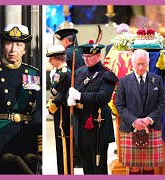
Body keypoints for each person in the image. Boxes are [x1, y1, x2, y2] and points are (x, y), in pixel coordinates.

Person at [0, 24, 42, 174]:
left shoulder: (33, 74)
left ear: (25, 49)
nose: (13, 49)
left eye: (18, 45)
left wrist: (41, 150)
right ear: (3, 46)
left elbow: (37, 114)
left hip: (26, 139)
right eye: (9, 44)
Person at [67, 40, 118, 174]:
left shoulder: (107, 75)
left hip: (97, 122)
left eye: (89, 57)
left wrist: (80, 96)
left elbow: (103, 97)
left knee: (98, 161)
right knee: (85, 160)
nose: (86, 59)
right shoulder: (79, 72)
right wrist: (70, 97)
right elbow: (73, 89)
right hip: (80, 121)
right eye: (84, 56)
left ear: (98, 56)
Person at [115, 49, 165, 174]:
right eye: (138, 64)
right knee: (134, 167)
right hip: (131, 128)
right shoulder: (123, 81)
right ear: (132, 64)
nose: (141, 67)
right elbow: (119, 105)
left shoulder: (157, 80)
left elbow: (162, 103)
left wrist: (149, 119)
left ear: (148, 63)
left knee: (150, 166)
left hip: (152, 127)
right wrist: (134, 121)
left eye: (143, 63)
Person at [55, 28, 84, 167]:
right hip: (83, 93)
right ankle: (80, 156)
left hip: (70, 95)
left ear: (66, 41)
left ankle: (76, 158)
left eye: (61, 41)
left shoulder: (67, 53)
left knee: (71, 126)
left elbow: (65, 76)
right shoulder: (82, 51)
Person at [46, 45, 72, 174]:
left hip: (63, 114)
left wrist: (50, 109)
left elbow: (60, 97)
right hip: (59, 113)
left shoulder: (65, 74)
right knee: (59, 146)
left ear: (59, 58)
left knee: (64, 147)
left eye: (51, 59)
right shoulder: (58, 73)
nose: (50, 61)